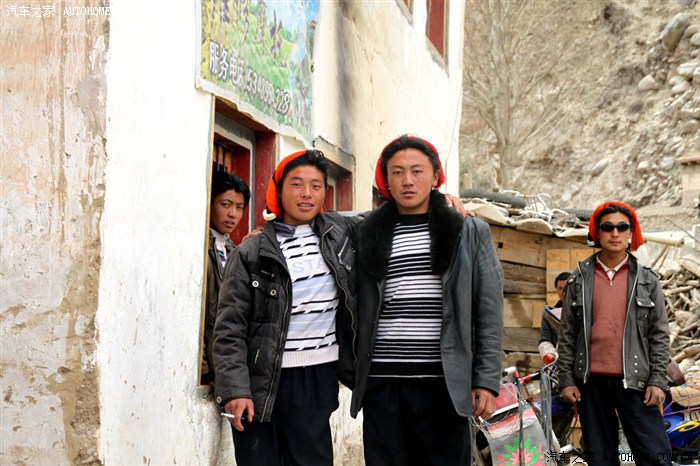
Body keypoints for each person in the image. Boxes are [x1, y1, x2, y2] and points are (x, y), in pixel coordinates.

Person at [350, 134, 504, 466]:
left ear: (435, 176)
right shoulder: (367, 230)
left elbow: (489, 310)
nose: (407, 180)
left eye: (417, 171)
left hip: (443, 384)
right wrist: (269, 227)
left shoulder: (468, 230)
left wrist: (486, 380)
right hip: (383, 384)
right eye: (397, 172)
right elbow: (320, 220)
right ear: (386, 179)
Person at [211, 150, 360, 466]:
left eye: (316, 186)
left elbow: (390, 215)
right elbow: (229, 329)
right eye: (296, 184)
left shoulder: (340, 234)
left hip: (317, 377)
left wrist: (442, 202)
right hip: (259, 379)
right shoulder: (250, 253)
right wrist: (235, 390)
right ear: (278, 190)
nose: (307, 193)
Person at [558, 201, 672, 466]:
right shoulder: (579, 279)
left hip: (637, 381)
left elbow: (659, 334)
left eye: (622, 227)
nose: (615, 233)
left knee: (655, 455)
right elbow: (567, 335)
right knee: (600, 458)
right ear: (597, 233)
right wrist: (566, 379)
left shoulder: (647, 280)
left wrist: (658, 380)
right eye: (608, 227)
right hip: (590, 382)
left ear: (631, 233)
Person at [201, 170, 250, 385]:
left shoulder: (231, 249)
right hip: (207, 370)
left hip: (224, 367)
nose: (233, 214)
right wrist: (204, 371)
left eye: (239, 207)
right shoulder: (201, 248)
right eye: (225, 204)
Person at [538, 271, 572, 364]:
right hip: (559, 363)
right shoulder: (549, 314)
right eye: (560, 288)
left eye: (567, 288)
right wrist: (549, 355)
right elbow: (545, 339)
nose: (564, 292)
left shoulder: (586, 310)